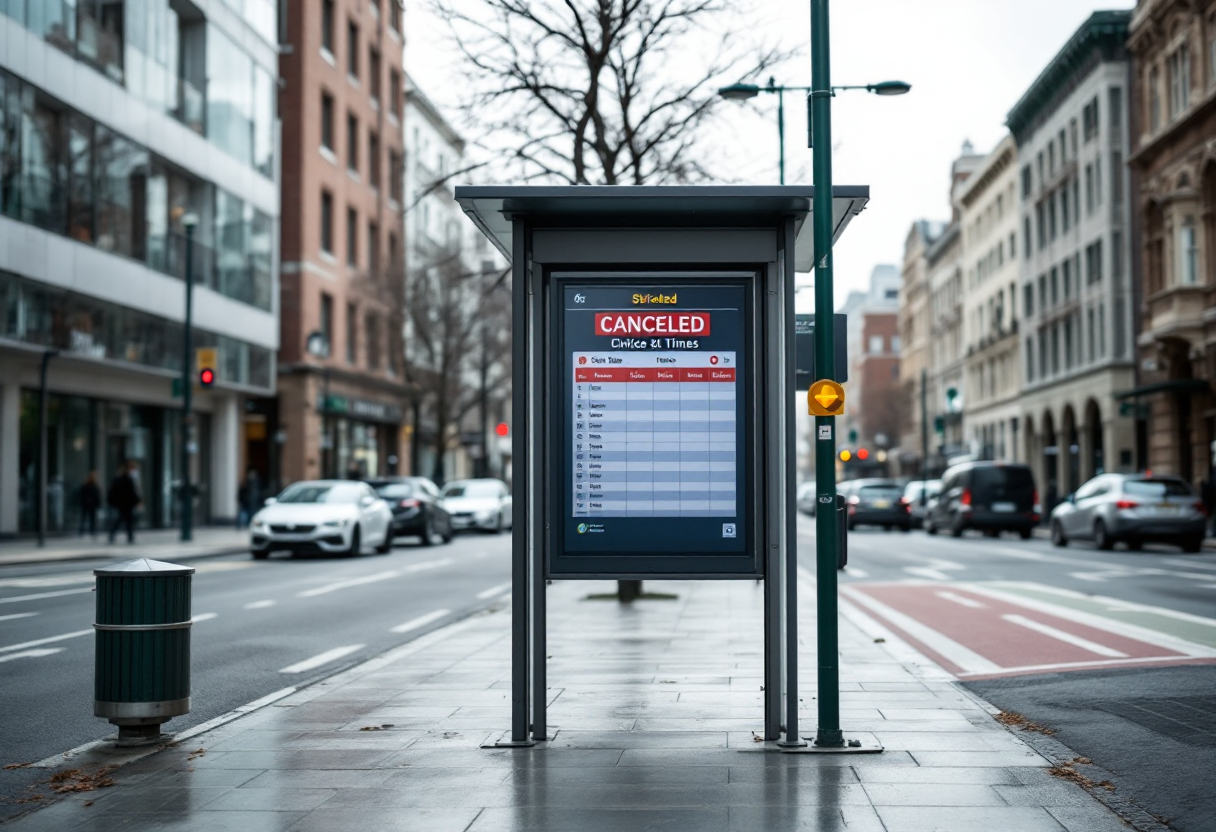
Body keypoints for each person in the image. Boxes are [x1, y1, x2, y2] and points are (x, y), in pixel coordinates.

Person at [107, 462, 141, 544]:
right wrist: (136, 500)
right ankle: (129, 536)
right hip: (127, 504)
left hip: (122, 503)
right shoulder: (127, 480)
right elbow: (132, 492)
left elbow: (113, 492)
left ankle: (125, 536)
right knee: (125, 520)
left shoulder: (118, 480)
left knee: (123, 519)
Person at [78, 471, 101, 538]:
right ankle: (82, 530)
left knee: (92, 519)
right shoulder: (86, 486)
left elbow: (97, 496)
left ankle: (92, 531)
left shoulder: (95, 486)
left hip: (92, 505)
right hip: (86, 505)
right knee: (84, 518)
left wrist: (97, 503)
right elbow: (82, 495)